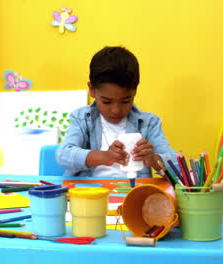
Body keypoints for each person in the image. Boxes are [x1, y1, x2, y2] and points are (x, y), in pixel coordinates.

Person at [56, 46, 176, 177]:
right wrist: (103, 156)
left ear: (135, 90)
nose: (116, 110)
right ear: (92, 90)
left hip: (132, 192)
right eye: (107, 102)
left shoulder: (149, 123)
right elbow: (63, 155)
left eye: (125, 101)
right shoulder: (82, 118)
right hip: (90, 193)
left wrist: (153, 159)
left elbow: (176, 165)